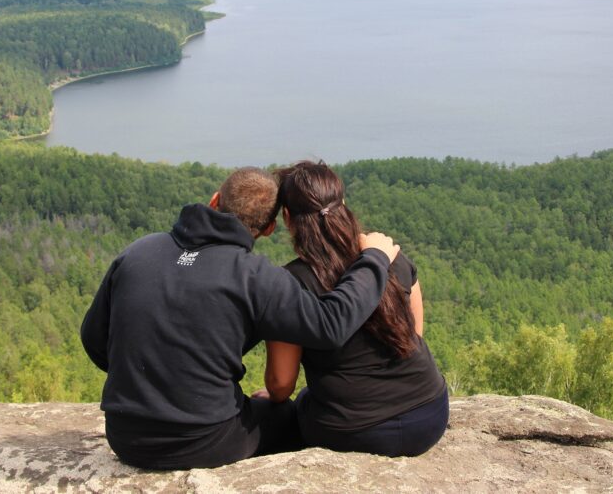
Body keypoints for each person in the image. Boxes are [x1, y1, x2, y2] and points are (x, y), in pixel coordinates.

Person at [80, 166, 400, 470]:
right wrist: (374, 258)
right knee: (290, 414)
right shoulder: (256, 278)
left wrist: (150, 380)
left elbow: (94, 339)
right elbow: (331, 324)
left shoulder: (138, 252)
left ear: (214, 199)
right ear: (270, 227)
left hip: (125, 437)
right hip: (208, 439)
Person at [259, 161, 448, 457]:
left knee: (300, 403)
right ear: (343, 204)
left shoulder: (290, 283)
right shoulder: (388, 254)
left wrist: (270, 394)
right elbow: (415, 335)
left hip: (352, 432)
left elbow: (281, 385)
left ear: (287, 217)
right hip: (430, 415)